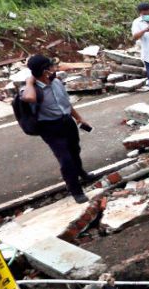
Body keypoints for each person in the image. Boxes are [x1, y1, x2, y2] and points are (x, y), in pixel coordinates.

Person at [20, 55, 94, 204]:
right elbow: (29, 98)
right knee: (65, 160)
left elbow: (66, 104)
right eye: (51, 67)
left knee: (74, 151)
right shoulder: (30, 90)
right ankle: (76, 190)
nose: (55, 69)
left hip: (67, 122)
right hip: (50, 128)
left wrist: (78, 118)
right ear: (45, 71)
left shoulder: (57, 83)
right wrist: (29, 81)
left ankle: (81, 173)